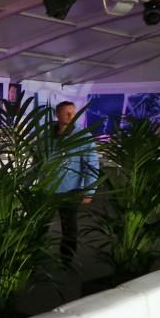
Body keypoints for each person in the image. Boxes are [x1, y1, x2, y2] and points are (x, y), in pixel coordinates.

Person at [53, 101, 99, 267]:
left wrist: (89, 190)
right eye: (67, 113)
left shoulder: (83, 136)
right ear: (57, 114)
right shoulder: (47, 135)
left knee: (69, 228)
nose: (71, 116)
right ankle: (32, 261)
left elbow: (91, 164)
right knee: (39, 225)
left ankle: (67, 261)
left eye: (73, 113)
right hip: (47, 189)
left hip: (70, 190)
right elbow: (39, 160)